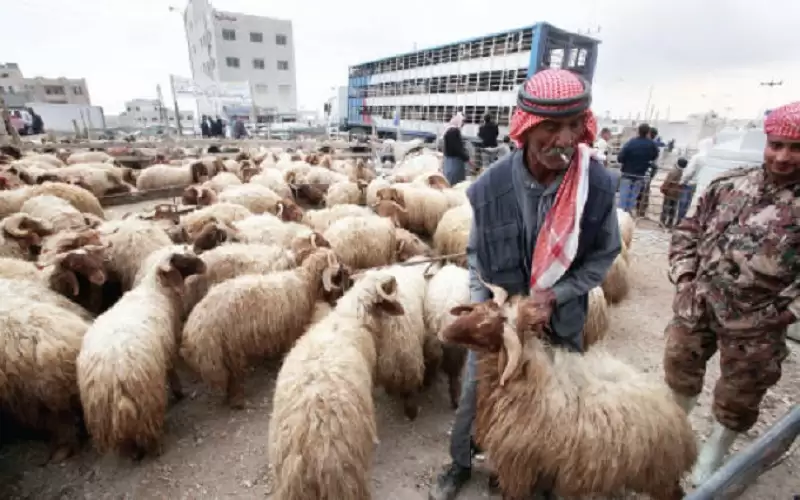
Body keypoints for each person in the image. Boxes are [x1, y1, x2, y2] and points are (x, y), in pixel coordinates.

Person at [428, 69, 621, 500]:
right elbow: (477, 254)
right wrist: (490, 309)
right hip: (502, 321)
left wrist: (557, 295)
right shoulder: (489, 187)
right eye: (551, 127)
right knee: (479, 390)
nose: (565, 139)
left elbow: (604, 255)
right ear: (527, 127)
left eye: (574, 125)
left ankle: (524, 470)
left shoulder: (598, 187)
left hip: (561, 319)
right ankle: (460, 462)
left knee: (550, 400)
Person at [663, 101, 799, 488]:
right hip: (698, 304)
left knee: (739, 395)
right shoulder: (728, 185)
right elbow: (687, 230)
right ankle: (674, 441)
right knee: (679, 373)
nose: (783, 156)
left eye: (796, 148)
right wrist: (685, 276)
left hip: (757, 322)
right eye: (777, 145)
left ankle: (713, 456)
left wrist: (781, 314)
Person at [617, 123, 659, 213]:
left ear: (638, 131)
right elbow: (655, 156)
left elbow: (620, 157)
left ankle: (621, 216)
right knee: (633, 198)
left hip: (627, 173)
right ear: (648, 132)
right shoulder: (651, 145)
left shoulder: (631, 142)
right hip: (640, 174)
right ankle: (628, 214)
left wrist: (626, 161)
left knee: (623, 197)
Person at [677, 135, 713, 220]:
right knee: (695, 205)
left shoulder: (697, 157)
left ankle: (680, 221)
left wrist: (682, 181)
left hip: (690, 184)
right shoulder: (712, 158)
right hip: (704, 185)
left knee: (684, 204)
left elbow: (689, 172)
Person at [442, 113, 470, 185]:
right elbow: (457, 149)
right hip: (454, 162)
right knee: (455, 182)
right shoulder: (454, 131)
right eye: (463, 121)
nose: (463, 124)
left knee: (449, 180)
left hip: (449, 160)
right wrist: (467, 159)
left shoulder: (449, 130)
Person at [659, 157, 688, 228]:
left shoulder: (673, 171)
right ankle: (670, 223)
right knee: (673, 208)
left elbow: (667, 181)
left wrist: (663, 189)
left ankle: (662, 222)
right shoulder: (683, 172)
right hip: (677, 193)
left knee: (666, 207)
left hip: (670, 192)